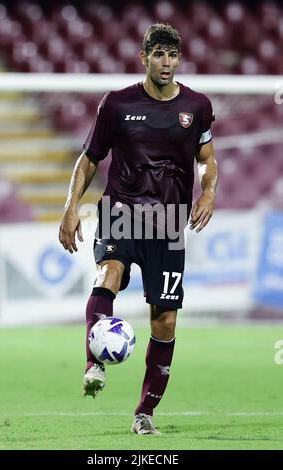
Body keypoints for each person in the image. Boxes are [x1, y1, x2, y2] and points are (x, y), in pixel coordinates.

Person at [59, 23, 218, 435]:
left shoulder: (197, 106)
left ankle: (144, 412)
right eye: (158, 54)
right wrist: (70, 208)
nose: (165, 62)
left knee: (164, 321)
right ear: (142, 57)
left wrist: (208, 192)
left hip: (167, 223)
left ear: (178, 59)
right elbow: (89, 158)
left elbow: (207, 158)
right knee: (107, 274)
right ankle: (94, 363)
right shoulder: (116, 104)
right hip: (121, 211)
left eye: (172, 55)